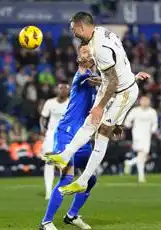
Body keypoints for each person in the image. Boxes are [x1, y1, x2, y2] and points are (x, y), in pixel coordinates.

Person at [40, 45, 151, 230]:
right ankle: (46, 222)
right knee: (67, 178)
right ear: (78, 59)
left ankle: (72, 216)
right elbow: (105, 82)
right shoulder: (81, 77)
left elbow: (107, 86)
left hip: (82, 137)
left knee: (89, 179)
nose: (89, 53)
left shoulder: (96, 80)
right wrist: (131, 79)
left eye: (89, 51)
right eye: (83, 52)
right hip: (67, 135)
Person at [44, 12, 150, 195]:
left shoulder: (100, 47)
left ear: (81, 27)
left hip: (122, 92)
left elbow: (115, 82)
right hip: (114, 87)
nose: (73, 34)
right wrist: (130, 76)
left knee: (102, 132)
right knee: (90, 122)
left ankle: (83, 180)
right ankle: (64, 156)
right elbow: (118, 64)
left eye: (74, 29)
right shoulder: (101, 32)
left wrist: (102, 107)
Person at [40, 83, 70, 200]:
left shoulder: (71, 103)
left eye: (65, 88)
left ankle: (63, 188)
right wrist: (43, 129)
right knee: (49, 161)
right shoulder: (50, 103)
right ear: (57, 90)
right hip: (51, 134)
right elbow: (43, 117)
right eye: (61, 88)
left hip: (65, 134)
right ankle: (48, 191)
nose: (63, 90)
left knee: (65, 162)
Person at [123, 96, 158, 183]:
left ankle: (130, 163)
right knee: (142, 154)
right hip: (137, 135)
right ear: (140, 102)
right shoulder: (135, 111)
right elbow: (127, 121)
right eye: (143, 101)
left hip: (147, 136)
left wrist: (153, 130)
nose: (145, 102)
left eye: (147, 101)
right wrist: (129, 125)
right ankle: (141, 177)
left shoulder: (152, 112)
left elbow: (155, 123)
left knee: (143, 156)